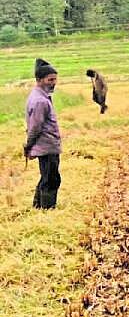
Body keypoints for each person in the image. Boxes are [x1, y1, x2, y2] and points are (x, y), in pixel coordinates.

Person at [24, 58, 62, 210]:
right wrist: (29, 146)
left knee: (47, 177)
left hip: (47, 145)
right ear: (39, 80)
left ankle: (38, 207)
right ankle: (47, 210)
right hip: (46, 146)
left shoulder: (41, 96)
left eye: (55, 79)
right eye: (50, 79)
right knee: (51, 179)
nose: (54, 82)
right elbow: (35, 128)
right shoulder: (40, 101)